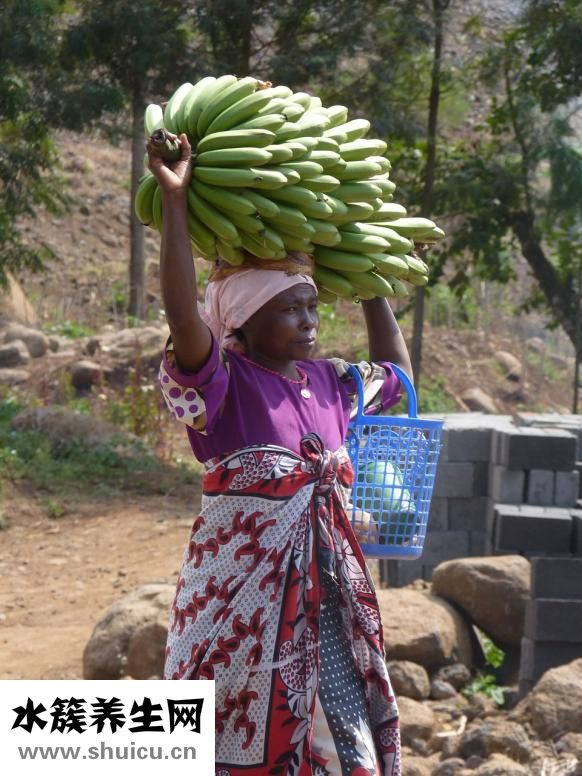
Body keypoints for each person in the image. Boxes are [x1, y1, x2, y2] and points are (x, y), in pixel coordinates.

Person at [149, 133, 412, 776]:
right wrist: (175, 202)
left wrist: (369, 274)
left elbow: (399, 376)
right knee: (229, 742)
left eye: (312, 306)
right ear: (240, 321)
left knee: (336, 749)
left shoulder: (328, 382)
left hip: (326, 614)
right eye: (289, 309)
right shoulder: (221, 385)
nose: (308, 321)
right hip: (238, 619)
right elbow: (184, 317)